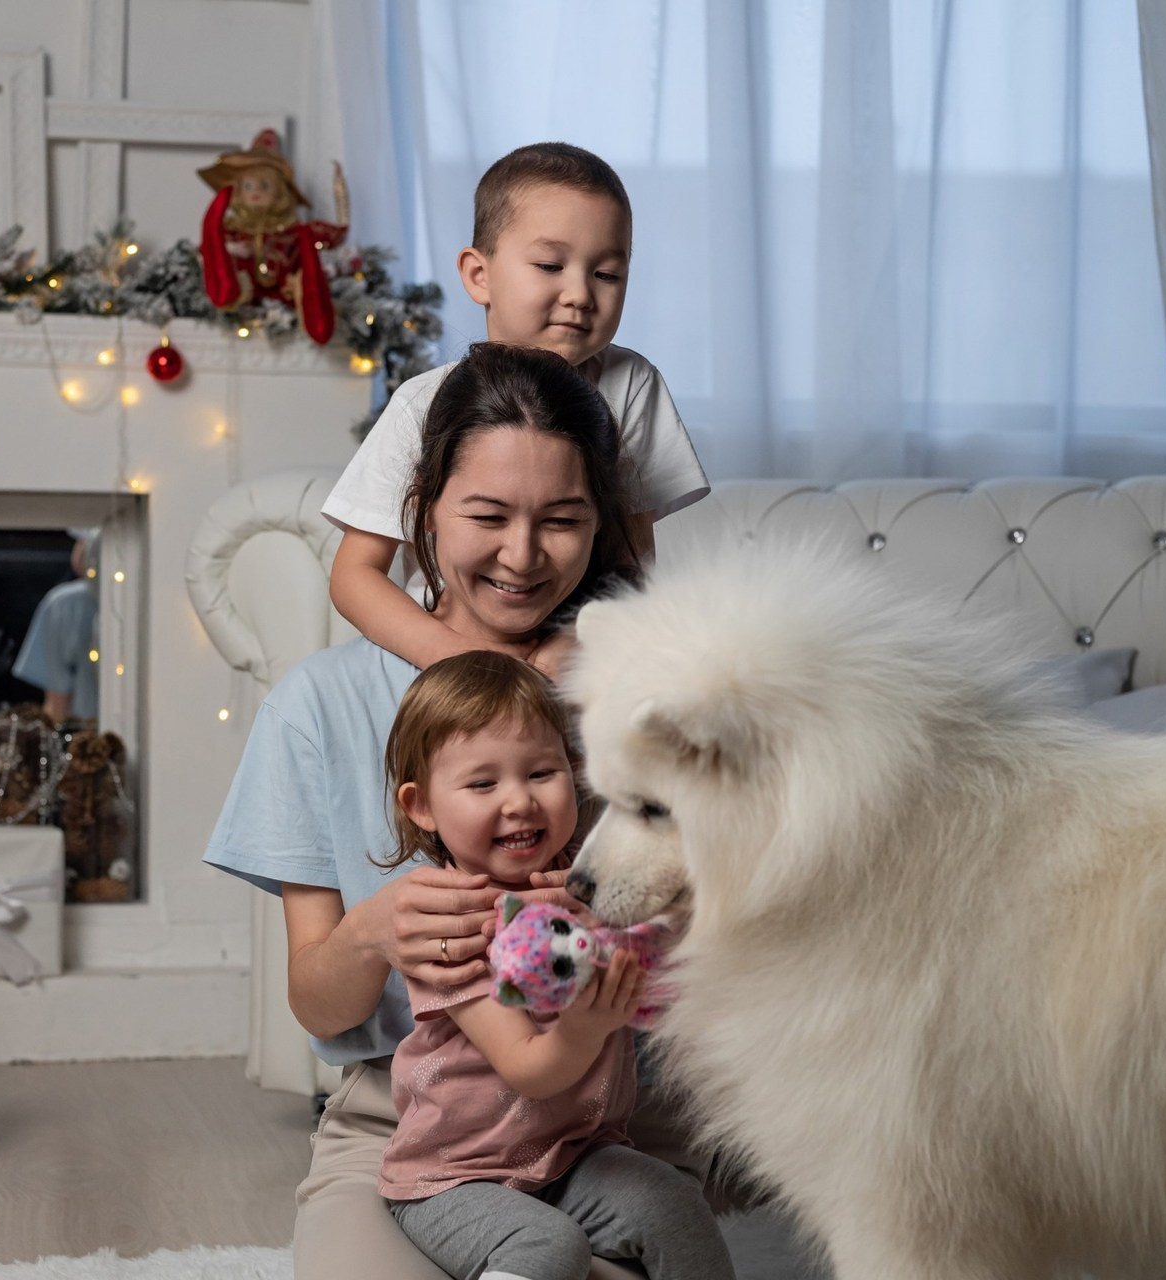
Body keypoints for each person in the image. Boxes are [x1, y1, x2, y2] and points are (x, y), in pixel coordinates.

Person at [205, 343, 720, 1280]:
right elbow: (316, 1004)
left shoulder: (647, 698)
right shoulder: (318, 707)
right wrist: (374, 932)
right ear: (423, 512)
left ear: (602, 526)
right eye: (486, 515)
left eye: (562, 521)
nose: (523, 557)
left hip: (610, 1121)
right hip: (407, 1133)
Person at [378, 651, 736, 1280]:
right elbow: (528, 1068)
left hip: (574, 1157)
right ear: (423, 806)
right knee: (547, 1247)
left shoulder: (595, 884)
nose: (519, 802)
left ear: (577, 774)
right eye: (483, 784)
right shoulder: (453, 924)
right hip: (453, 1180)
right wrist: (584, 1025)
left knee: (672, 1205)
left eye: (542, 772)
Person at [321, 141, 709, 677]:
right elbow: (354, 575)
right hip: (443, 660)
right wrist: (456, 659)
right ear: (479, 275)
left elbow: (631, 559)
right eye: (551, 264)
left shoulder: (631, 385)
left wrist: (567, 651)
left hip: (577, 660)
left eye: (607, 274)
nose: (580, 293)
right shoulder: (423, 403)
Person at [12, 529, 100, 723]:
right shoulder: (69, 603)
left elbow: (57, 701)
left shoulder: (65, 604)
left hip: (83, 736)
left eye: (81, 541)